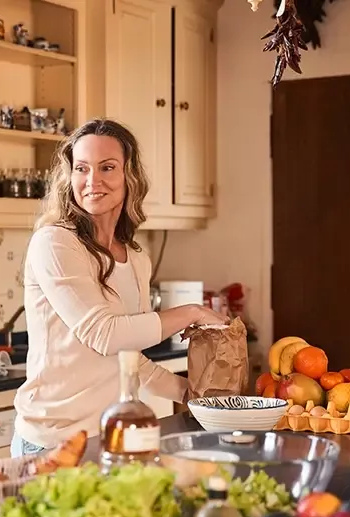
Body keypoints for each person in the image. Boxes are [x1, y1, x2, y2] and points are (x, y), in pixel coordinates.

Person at [11, 118, 229, 457]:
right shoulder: (54, 243)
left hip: (111, 438)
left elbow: (129, 360)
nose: (92, 180)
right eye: (81, 168)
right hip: (52, 443)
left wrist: (190, 394)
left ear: (130, 176)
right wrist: (192, 312)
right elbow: (104, 334)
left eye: (107, 167)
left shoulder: (136, 258)